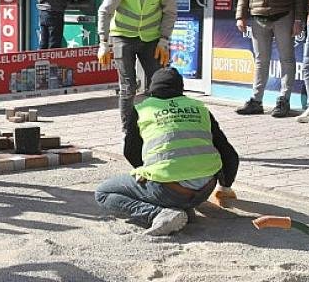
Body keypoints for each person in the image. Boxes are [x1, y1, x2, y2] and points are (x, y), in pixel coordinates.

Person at [95, 67, 240, 236]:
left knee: (103, 193)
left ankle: (158, 213)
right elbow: (230, 155)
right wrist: (226, 186)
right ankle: (182, 207)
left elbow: (130, 151)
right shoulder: (200, 108)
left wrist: (149, 171)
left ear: (152, 89)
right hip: (204, 191)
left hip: (168, 191)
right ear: (181, 88)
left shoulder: (143, 109)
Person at [96, 0, 178, 133]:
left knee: (158, 83)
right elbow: (105, 11)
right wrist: (103, 42)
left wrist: (164, 40)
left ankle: (159, 127)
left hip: (151, 38)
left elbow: (170, 12)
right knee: (128, 86)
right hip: (122, 37)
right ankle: (128, 132)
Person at [235, 0, 306, 117]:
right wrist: (240, 15)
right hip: (258, 16)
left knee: (287, 59)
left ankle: (284, 100)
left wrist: (299, 19)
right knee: (261, 60)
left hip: (284, 14)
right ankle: (256, 101)